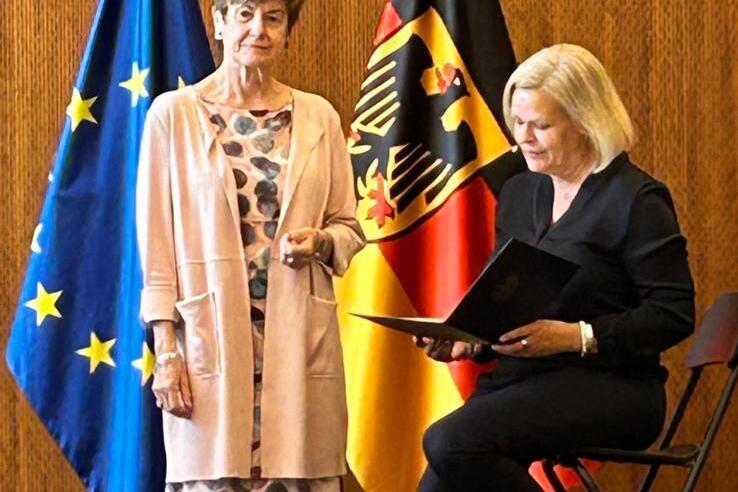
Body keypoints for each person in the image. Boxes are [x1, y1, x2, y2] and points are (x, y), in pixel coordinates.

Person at [416, 43, 695, 491]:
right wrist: (469, 340)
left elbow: (673, 315)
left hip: (615, 385)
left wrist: (576, 336)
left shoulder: (635, 199)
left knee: (451, 443)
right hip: (523, 379)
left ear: (585, 121)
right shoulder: (519, 194)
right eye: (518, 122)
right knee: (443, 470)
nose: (523, 137)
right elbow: (508, 300)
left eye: (540, 125)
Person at [135, 1, 365, 490]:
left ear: (288, 31)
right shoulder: (172, 116)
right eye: (244, 13)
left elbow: (349, 227)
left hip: (299, 341)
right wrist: (167, 352)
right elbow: (156, 255)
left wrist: (322, 242)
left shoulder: (320, 117)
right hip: (209, 346)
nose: (258, 29)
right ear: (220, 23)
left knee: (303, 473)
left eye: (273, 17)